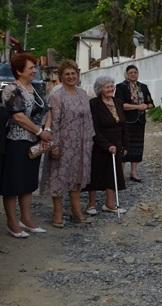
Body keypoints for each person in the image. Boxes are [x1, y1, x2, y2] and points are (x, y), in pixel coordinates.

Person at [1, 53, 52, 237]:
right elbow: (18, 116)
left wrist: (47, 129)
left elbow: (47, 110)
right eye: (31, 67)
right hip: (16, 142)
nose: (34, 70)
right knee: (13, 183)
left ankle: (26, 219)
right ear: (19, 70)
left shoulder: (34, 88)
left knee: (29, 182)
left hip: (34, 143)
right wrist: (40, 132)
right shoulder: (11, 89)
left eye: (34, 67)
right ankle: (12, 223)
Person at [41, 59, 94, 227]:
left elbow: (88, 118)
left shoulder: (83, 94)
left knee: (77, 175)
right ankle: (58, 212)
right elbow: (54, 121)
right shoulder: (57, 96)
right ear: (61, 77)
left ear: (78, 75)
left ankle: (76, 210)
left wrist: (90, 140)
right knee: (58, 176)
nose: (71, 76)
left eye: (73, 73)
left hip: (81, 143)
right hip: (63, 143)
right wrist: (54, 145)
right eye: (67, 74)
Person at [85, 76, 127, 216]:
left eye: (112, 85)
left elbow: (123, 125)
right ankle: (91, 204)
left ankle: (109, 204)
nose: (111, 88)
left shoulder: (118, 102)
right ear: (100, 89)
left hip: (117, 142)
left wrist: (124, 145)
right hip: (99, 143)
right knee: (95, 173)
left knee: (112, 173)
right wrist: (106, 145)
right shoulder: (94, 104)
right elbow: (94, 128)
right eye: (107, 86)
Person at [115, 64, 154, 182]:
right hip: (126, 121)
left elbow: (151, 103)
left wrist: (146, 106)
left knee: (137, 146)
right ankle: (120, 174)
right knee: (124, 145)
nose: (133, 74)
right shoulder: (121, 87)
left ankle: (134, 172)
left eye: (135, 72)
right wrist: (138, 106)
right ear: (127, 74)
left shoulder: (143, 87)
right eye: (130, 72)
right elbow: (120, 105)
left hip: (140, 121)